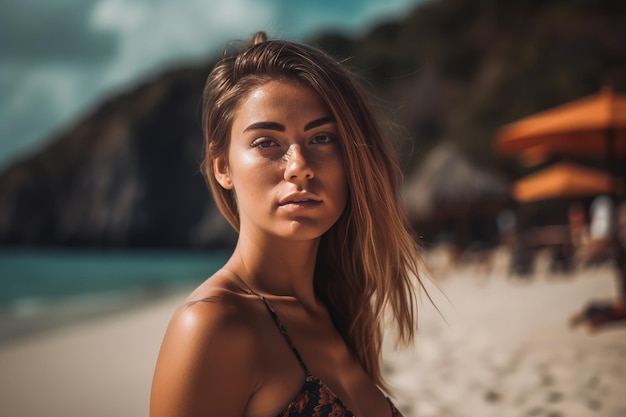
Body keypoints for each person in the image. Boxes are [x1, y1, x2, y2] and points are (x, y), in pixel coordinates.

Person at [150, 31, 423, 417]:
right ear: (223, 167)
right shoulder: (212, 325)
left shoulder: (339, 310)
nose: (299, 168)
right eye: (266, 142)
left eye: (322, 137)